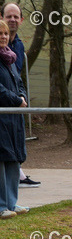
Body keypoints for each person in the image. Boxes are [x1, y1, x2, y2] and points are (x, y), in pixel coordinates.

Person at [3, 3, 39, 189]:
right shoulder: (1, 42)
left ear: (22, 20)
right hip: (4, 101)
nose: (12, 20)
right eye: (9, 16)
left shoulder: (18, 45)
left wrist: (21, 96)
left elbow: (17, 76)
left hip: (14, 101)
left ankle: (17, 175)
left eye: (16, 17)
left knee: (15, 141)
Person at [0, 20, 29, 218]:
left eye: (4, 33)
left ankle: (12, 202)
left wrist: (22, 97)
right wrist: (16, 100)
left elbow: (19, 83)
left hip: (13, 118)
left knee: (13, 160)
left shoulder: (9, 60)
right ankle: (1, 206)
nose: (3, 36)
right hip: (2, 118)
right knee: (1, 161)